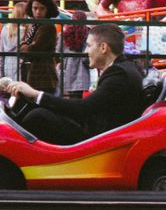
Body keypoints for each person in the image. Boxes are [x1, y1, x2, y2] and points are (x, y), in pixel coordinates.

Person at [2, 24, 145, 145]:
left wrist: (35, 94)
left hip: (99, 140)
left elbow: (83, 109)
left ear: (103, 48)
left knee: (37, 116)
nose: (86, 51)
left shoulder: (119, 74)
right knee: (36, 110)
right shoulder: (124, 68)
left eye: (89, 45)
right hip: (100, 131)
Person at [21, 0, 59, 94]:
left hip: (44, 77)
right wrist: (26, 47)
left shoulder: (47, 27)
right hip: (35, 76)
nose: (38, 12)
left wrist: (25, 46)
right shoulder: (33, 26)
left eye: (42, 8)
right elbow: (23, 47)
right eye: (35, 8)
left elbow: (33, 50)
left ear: (48, 10)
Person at [59, 10, 91, 98]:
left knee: (65, 99)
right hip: (82, 73)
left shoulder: (64, 34)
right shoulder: (88, 35)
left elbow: (58, 52)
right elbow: (87, 56)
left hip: (66, 70)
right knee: (77, 99)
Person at [0, 2, 27, 80]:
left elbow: (1, 51)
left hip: (7, 65)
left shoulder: (5, 29)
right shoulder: (26, 30)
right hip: (21, 66)